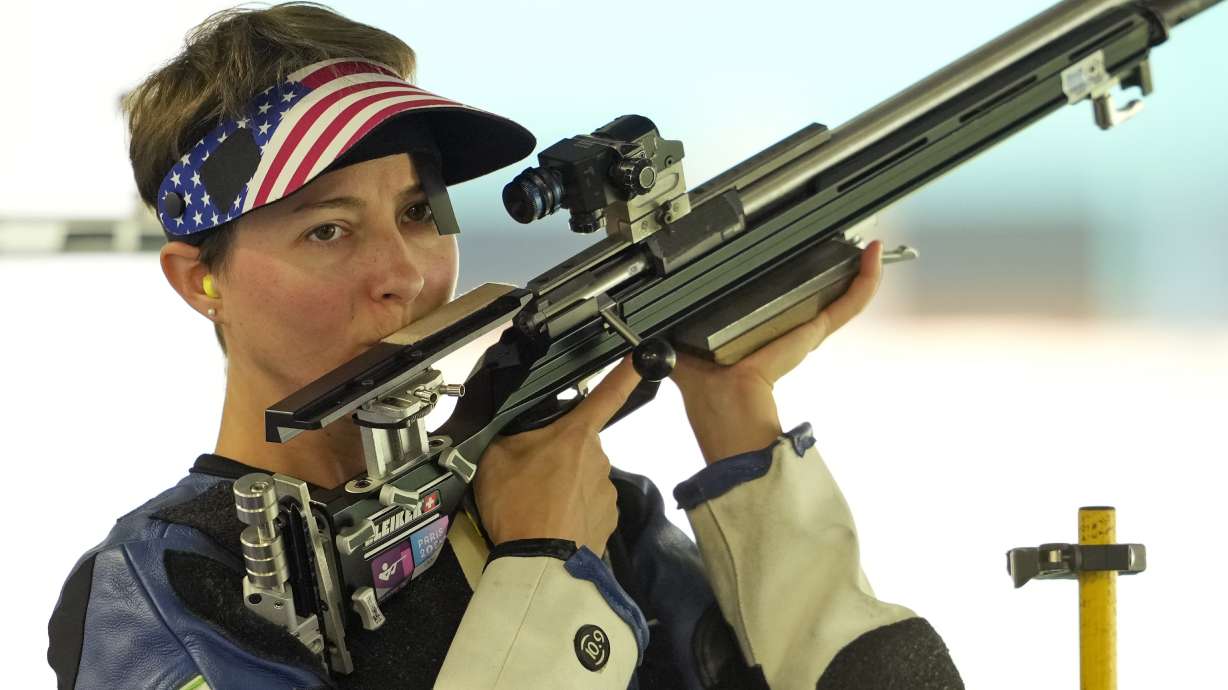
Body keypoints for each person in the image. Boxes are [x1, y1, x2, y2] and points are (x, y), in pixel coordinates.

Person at [47, 4, 963, 689]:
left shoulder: (548, 499)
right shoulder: (160, 587)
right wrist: (544, 572)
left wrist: (740, 433)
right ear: (198, 279)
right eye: (328, 231)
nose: (400, 273)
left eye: (418, 213)